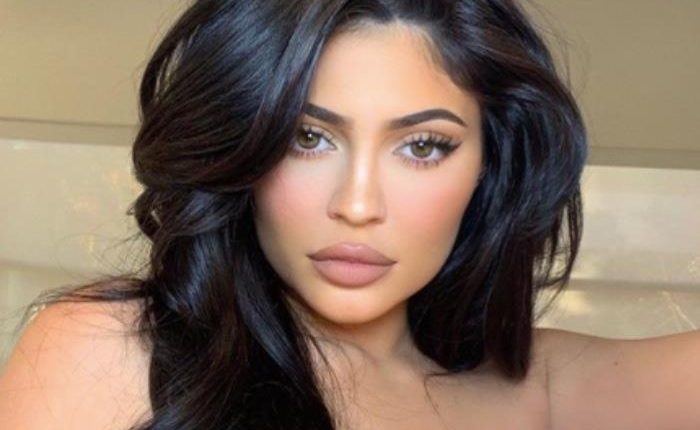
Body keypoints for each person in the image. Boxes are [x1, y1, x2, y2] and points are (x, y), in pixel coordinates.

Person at [1, 0, 699, 429]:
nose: (357, 205)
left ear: (488, 168)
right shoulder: (115, 349)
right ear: (244, 147)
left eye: (423, 146)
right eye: (308, 138)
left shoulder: (537, 388)